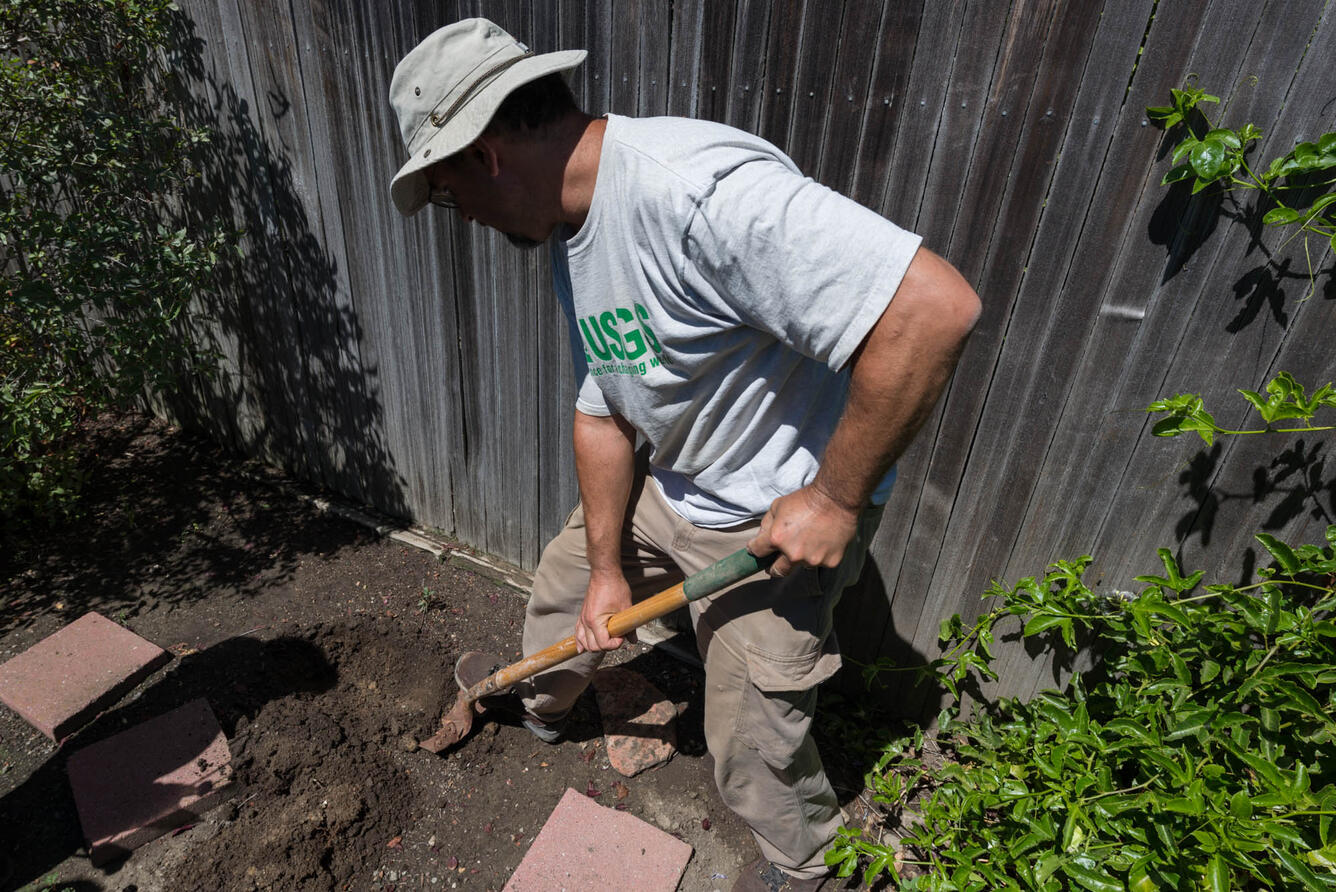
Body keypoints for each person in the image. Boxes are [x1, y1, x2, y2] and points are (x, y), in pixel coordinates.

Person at [388, 19, 980, 892]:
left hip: (767, 524)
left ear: (485, 157)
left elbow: (934, 308)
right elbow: (605, 410)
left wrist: (835, 500)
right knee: (563, 595)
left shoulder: (696, 192)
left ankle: (811, 868)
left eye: (446, 194)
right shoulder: (572, 228)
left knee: (751, 736)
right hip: (676, 486)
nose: (463, 218)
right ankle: (536, 703)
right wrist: (603, 568)